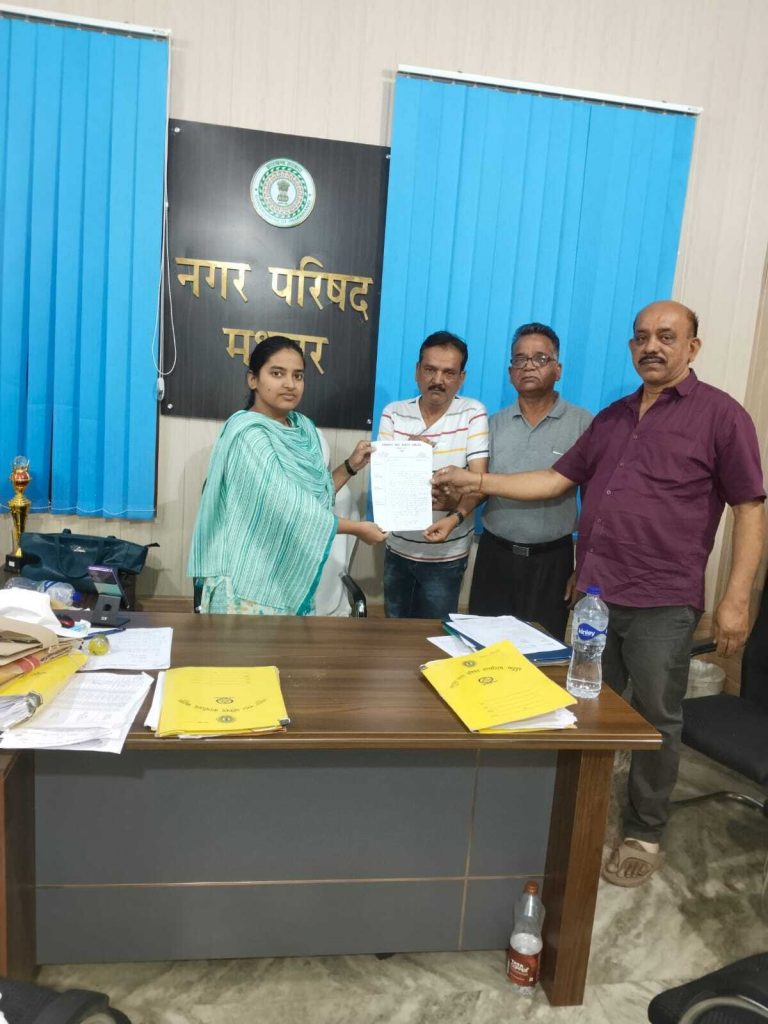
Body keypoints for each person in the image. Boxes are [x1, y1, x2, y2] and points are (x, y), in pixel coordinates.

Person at [435, 301, 766, 885]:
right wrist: (476, 480)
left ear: (693, 346)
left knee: (656, 718)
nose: (652, 346)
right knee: (586, 705)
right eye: (642, 337)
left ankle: (644, 829)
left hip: (664, 598)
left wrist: (736, 599)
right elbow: (554, 480)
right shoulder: (612, 420)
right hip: (596, 596)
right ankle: (578, 810)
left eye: (667, 336)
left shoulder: (722, 416)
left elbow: (749, 508)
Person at [188, 336, 387, 615]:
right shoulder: (248, 435)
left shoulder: (303, 430)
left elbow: (315, 499)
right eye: (277, 373)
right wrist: (357, 528)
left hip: (288, 574)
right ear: (253, 379)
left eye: (298, 375)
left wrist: (350, 467)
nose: (290, 384)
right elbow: (289, 507)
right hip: (246, 579)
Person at [467, 323, 592, 640]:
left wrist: (585, 566)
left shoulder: (583, 424)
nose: (528, 366)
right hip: (495, 557)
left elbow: (595, 502)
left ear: (558, 369)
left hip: (552, 562)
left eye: (540, 358)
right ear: (511, 372)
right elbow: (479, 489)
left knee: (543, 650)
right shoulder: (492, 425)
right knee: (485, 648)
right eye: (520, 359)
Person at [378, 331, 488, 618]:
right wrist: (408, 453)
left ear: (461, 378)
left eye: (448, 372)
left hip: (447, 554)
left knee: (436, 636)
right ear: (417, 371)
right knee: (394, 632)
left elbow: (479, 484)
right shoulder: (394, 413)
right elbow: (384, 481)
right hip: (398, 548)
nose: (438, 380)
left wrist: (454, 513)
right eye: (430, 369)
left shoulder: (472, 413)